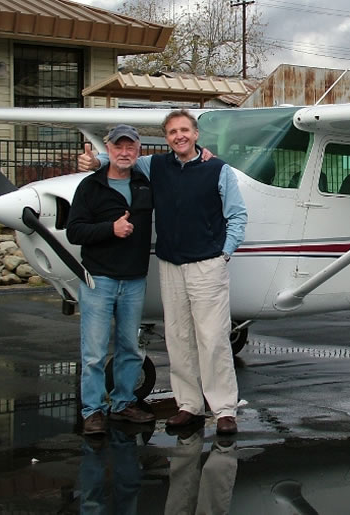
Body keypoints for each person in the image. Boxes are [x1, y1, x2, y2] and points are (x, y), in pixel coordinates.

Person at [78, 109, 247, 435]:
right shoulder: (155, 165)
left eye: (185, 130)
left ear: (196, 134)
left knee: (212, 339)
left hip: (207, 264)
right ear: (166, 138)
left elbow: (237, 216)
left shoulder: (218, 169)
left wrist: (225, 252)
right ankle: (188, 405)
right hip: (171, 264)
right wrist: (95, 161)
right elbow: (121, 159)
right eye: (172, 132)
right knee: (179, 338)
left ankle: (224, 408)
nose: (179, 136)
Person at [68, 124, 155, 435]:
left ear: (138, 150)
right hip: (99, 280)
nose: (124, 151)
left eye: (130, 146)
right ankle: (92, 410)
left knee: (129, 347)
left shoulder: (146, 185)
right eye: (118, 146)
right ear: (109, 148)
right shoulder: (90, 187)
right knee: (93, 352)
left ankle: (123, 403)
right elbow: (74, 231)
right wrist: (110, 229)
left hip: (134, 279)